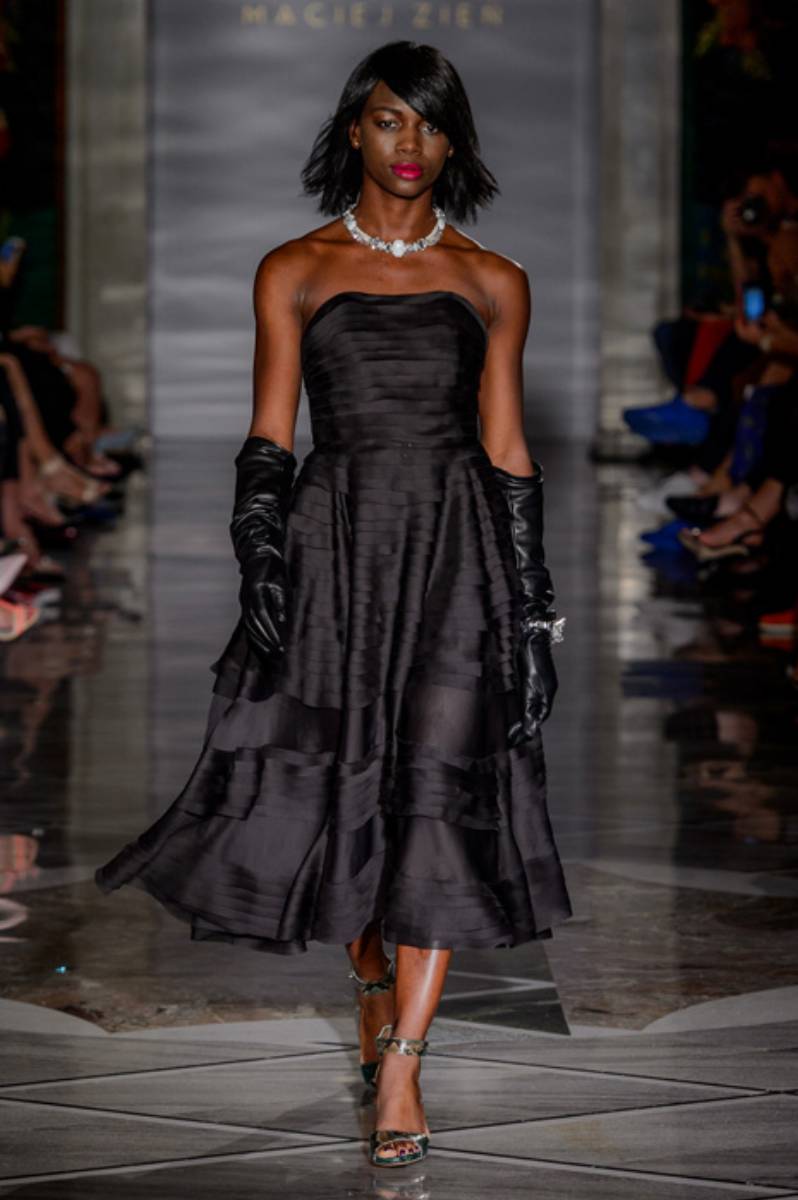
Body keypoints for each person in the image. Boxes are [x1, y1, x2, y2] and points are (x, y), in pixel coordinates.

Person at [95, 40, 573, 1168]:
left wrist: (533, 614)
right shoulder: (293, 269)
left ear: (455, 143)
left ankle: (403, 1064)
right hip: (337, 548)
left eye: (433, 124)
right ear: (354, 128)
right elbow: (271, 433)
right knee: (344, 788)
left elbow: (509, 451)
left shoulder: (494, 279)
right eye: (391, 119)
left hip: (456, 554)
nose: (412, 144)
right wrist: (260, 556)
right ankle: (369, 978)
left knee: (440, 798)